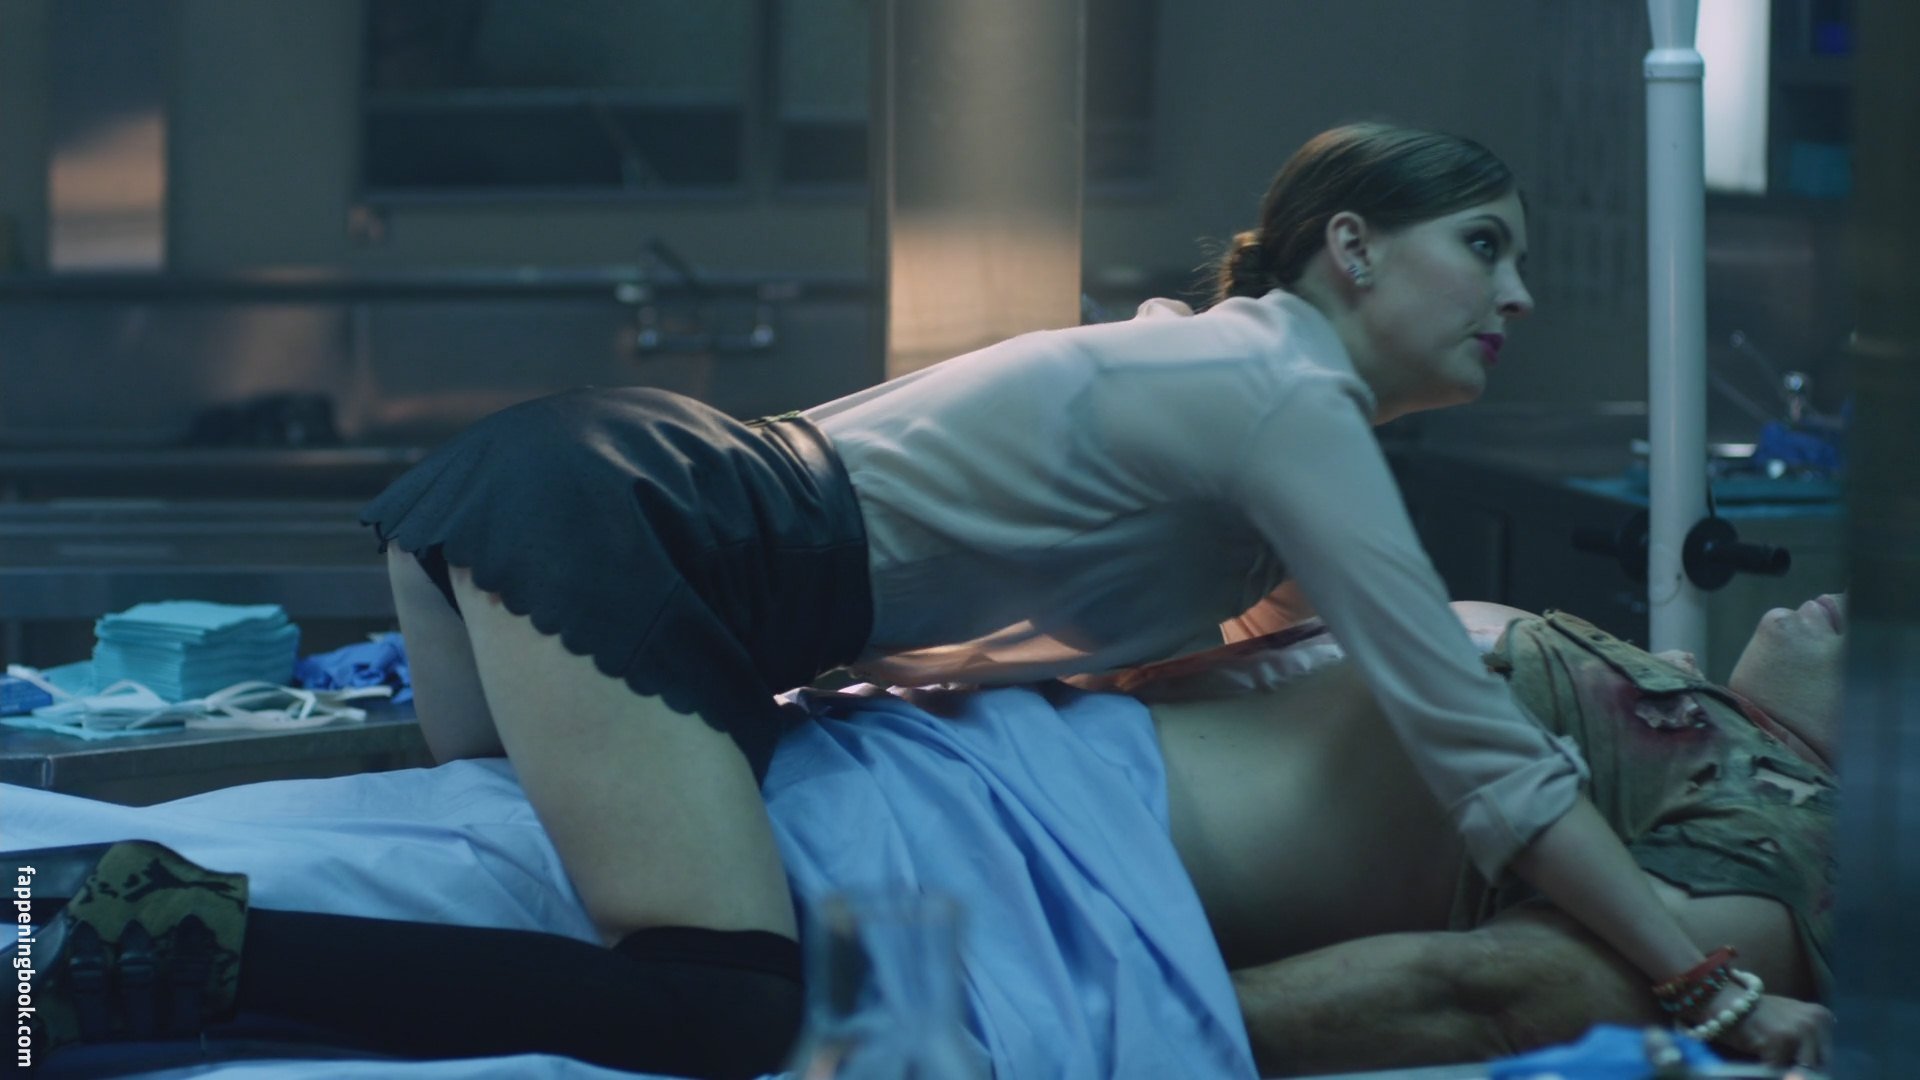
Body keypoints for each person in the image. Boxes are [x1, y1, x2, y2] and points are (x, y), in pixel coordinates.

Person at [17, 122, 1824, 1070]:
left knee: (490, 862)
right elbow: (1476, 755)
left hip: (616, 510)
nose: (1517, 297)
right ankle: (103, 944)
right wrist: (1704, 986)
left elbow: (1192, 643)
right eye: (1482, 246)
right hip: (649, 535)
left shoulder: (1231, 417)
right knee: (727, 1006)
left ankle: (115, 934)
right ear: (1350, 250)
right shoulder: (1282, 392)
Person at [5, 595, 1841, 1076]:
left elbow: (1499, 993)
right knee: (427, 835)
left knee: (466, 906)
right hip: (926, 770)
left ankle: (61, 955)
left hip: (1022, 887)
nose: (1856, 601)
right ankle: (60, 937)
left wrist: (1115, 1031)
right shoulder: (1657, 684)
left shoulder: (1782, 849)